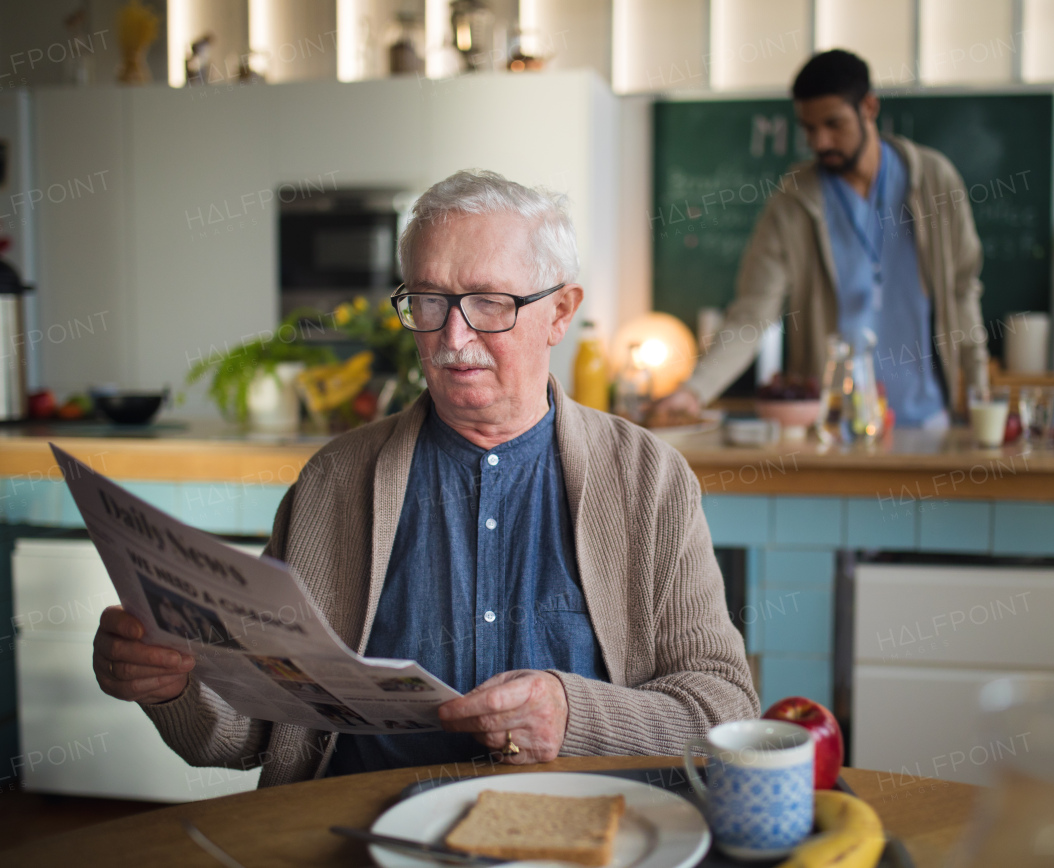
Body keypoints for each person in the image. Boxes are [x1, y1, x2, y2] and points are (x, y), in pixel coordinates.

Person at [92, 170, 758, 786]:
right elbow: (254, 731)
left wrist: (573, 716)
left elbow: (723, 711)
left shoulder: (649, 481)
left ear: (560, 312)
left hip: (576, 834)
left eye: (490, 303)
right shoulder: (333, 482)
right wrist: (175, 685)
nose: (453, 335)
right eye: (429, 301)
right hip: (359, 835)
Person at [654, 49, 989, 429]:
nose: (822, 142)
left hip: (927, 421)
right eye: (809, 129)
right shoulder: (791, 203)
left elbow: (963, 291)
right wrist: (695, 390)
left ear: (869, 107)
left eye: (834, 124)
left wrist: (981, 394)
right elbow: (751, 315)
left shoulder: (934, 180)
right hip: (830, 429)